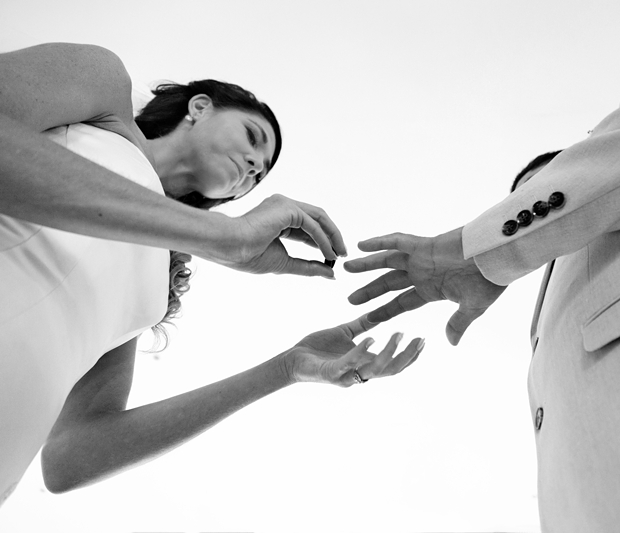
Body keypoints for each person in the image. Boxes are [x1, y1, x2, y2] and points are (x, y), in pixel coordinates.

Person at [344, 0, 620, 530]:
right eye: (523, 193)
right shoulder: (541, 314)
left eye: (549, 179)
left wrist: (490, 249)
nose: (532, 195)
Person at [0, 43, 424, 505]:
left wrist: (286, 369)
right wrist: (222, 237)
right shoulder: (102, 91)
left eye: (259, 175)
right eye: (252, 137)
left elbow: (70, 456)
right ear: (200, 107)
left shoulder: (155, 276)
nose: (253, 166)